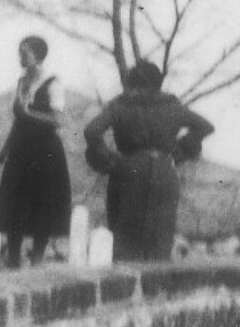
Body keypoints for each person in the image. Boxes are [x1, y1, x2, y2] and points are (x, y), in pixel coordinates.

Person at [81, 60, 214, 262]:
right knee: (160, 239)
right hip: (164, 171)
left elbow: (92, 131)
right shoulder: (172, 106)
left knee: (125, 240)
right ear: (158, 82)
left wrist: (108, 158)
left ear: (132, 82)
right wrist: (180, 151)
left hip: (128, 171)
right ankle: (157, 281)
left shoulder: (120, 105)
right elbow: (206, 127)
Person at [0, 35, 73, 266]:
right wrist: (3, 152)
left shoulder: (53, 83)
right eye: (20, 52)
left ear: (38, 55)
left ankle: (37, 260)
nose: (20, 57)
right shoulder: (21, 82)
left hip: (46, 151)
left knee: (43, 203)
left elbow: (57, 120)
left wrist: (29, 114)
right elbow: (18, 122)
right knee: (15, 204)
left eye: (25, 53)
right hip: (21, 151)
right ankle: (14, 260)